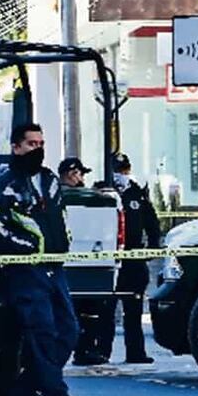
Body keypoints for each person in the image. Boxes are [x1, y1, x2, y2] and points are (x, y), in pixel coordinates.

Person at [0, 124, 86, 396]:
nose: (37, 149)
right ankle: (54, 393)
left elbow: (59, 217)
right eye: (30, 144)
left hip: (54, 266)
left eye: (41, 143)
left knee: (69, 330)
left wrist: (62, 244)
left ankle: (26, 388)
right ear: (16, 147)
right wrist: (28, 248)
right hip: (25, 270)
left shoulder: (50, 180)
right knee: (42, 331)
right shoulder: (1, 188)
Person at [58, 158, 112, 367]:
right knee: (84, 311)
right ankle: (83, 349)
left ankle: (83, 349)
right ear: (72, 174)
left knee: (84, 311)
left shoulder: (55, 194)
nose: (82, 179)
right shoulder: (68, 196)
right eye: (80, 174)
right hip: (81, 261)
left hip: (72, 260)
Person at [106, 153, 158, 364]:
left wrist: (153, 247)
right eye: (118, 171)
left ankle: (135, 352)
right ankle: (101, 352)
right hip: (109, 257)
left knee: (134, 308)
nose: (122, 174)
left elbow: (151, 221)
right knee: (106, 309)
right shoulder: (104, 191)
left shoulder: (137, 192)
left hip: (133, 258)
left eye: (125, 170)